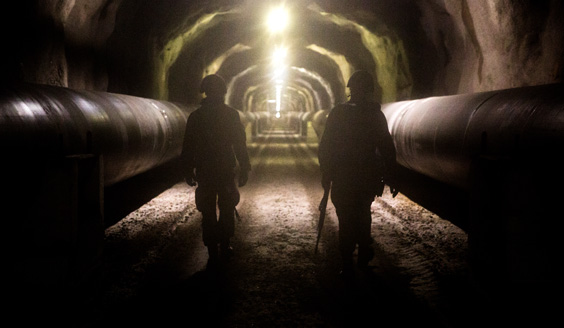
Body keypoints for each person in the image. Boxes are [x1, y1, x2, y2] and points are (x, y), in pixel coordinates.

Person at [318, 70, 397, 277]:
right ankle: (363, 252)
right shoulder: (375, 115)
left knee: (345, 217)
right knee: (362, 213)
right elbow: (387, 147)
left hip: (343, 176)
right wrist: (393, 174)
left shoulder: (338, 113)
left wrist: (326, 173)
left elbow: (326, 146)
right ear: (370, 91)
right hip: (366, 176)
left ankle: (347, 261)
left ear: (350, 90)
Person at [181, 74, 251, 269]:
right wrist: (244, 167)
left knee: (208, 211)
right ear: (223, 92)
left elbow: (188, 146)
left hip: (205, 170)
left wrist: (187, 168)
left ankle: (212, 252)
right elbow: (239, 144)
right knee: (227, 207)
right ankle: (225, 246)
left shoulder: (196, 116)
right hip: (225, 170)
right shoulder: (230, 114)